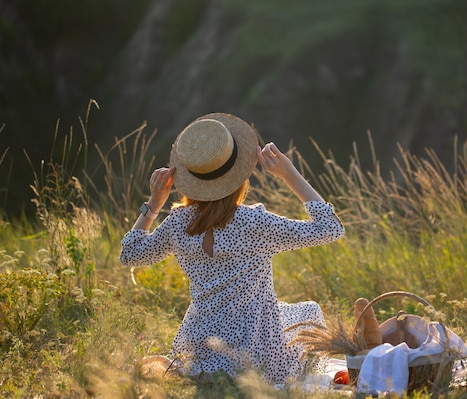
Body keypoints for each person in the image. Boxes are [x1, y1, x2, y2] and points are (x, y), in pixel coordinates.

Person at [120, 113, 344, 384]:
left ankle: (204, 371)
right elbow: (330, 228)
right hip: (254, 353)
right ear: (239, 176)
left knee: (291, 313)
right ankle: (231, 372)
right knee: (308, 313)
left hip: (198, 346)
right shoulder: (252, 222)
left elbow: (130, 253)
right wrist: (289, 174)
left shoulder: (178, 222)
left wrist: (154, 204)